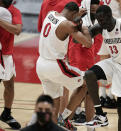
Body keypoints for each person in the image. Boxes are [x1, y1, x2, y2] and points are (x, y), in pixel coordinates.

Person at [36, 1, 92, 129]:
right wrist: (84, 27)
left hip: (40, 64)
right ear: (73, 13)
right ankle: (65, 117)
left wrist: (76, 19)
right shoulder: (67, 24)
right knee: (87, 82)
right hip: (55, 65)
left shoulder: (51, 14)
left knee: (55, 101)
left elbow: (65, 26)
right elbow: (88, 43)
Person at [67, 0, 102, 125]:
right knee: (82, 90)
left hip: (88, 56)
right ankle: (67, 120)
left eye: (96, 5)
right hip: (78, 56)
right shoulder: (79, 16)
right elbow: (76, 38)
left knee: (89, 92)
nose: (94, 7)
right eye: (92, 5)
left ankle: (88, 124)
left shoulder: (95, 16)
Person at [0, 0, 22, 129]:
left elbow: (17, 30)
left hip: (7, 54)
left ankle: (6, 114)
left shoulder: (14, 11)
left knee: (9, 85)